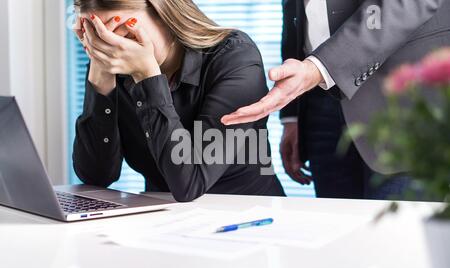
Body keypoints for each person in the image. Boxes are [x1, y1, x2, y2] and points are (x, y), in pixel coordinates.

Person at [222, 0, 450, 200]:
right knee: (339, 236)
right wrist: (292, 115)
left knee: (398, 240)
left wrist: (319, 68)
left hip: (401, 97)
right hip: (319, 100)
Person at [72, 0, 285, 202]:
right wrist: (100, 79)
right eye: (99, 40)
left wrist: (147, 77)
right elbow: (96, 177)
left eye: (126, 35)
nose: (115, 50)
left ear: (165, 14)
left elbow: (189, 184)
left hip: (248, 215)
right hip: (165, 220)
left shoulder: (235, 56)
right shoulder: (113, 66)